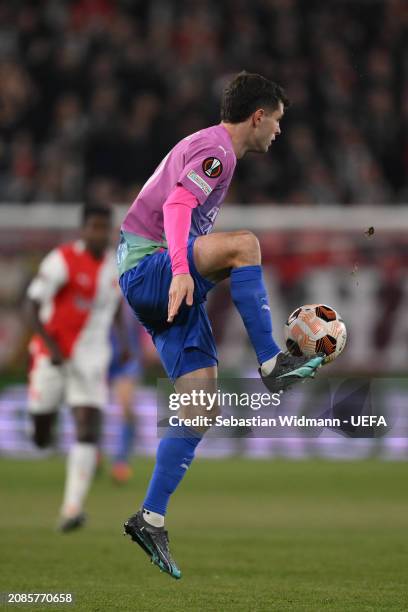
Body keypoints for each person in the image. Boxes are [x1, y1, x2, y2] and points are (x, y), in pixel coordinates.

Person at [117, 72, 323, 578]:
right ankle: (273, 363)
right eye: (276, 120)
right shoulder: (218, 152)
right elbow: (176, 205)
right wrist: (182, 272)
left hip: (155, 275)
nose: (278, 130)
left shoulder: (210, 148)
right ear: (258, 116)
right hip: (152, 268)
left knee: (199, 405)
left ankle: (150, 516)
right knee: (244, 245)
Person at [26, 205, 121, 531]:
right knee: (41, 434)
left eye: (104, 227)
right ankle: (39, 430)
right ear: (83, 229)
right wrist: (51, 347)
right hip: (51, 354)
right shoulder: (61, 259)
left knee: (87, 427)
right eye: (93, 227)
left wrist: (122, 342)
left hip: (92, 355)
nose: (99, 233)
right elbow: (32, 305)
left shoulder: (114, 265)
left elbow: (115, 308)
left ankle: (72, 508)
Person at [108, 300, 141, 483]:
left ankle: (121, 460)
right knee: (91, 407)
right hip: (99, 351)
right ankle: (93, 452)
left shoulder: (136, 283)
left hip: (126, 354)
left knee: (127, 408)